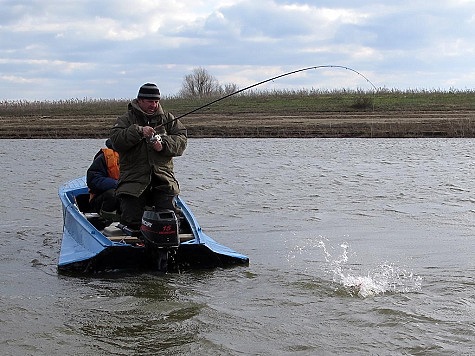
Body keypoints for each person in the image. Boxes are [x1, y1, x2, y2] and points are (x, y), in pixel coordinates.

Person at [110, 83, 187, 230]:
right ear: (139, 101)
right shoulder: (126, 119)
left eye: (156, 101)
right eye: (150, 102)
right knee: (132, 221)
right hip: (133, 180)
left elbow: (182, 139)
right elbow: (116, 140)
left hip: (163, 180)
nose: (154, 105)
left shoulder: (167, 118)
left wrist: (163, 144)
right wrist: (138, 131)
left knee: (168, 221)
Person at [86, 139, 121, 220]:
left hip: (130, 198)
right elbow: (93, 180)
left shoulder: (141, 156)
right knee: (112, 194)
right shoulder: (105, 157)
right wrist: (118, 184)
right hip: (103, 199)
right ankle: (106, 219)